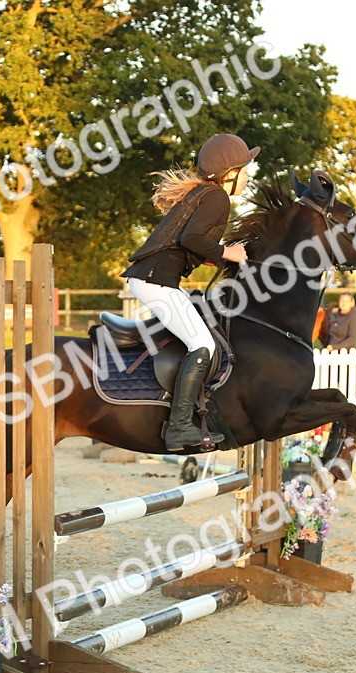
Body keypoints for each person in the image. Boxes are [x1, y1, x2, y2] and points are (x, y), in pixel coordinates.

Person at [121, 133, 258, 451]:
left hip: (156, 278)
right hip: (154, 280)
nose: (248, 175)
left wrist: (219, 256)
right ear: (230, 173)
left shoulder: (207, 193)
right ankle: (179, 427)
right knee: (203, 344)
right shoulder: (217, 197)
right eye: (245, 168)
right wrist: (227, 252)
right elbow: (192, 238)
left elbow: (191, 241)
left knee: (201, 335)